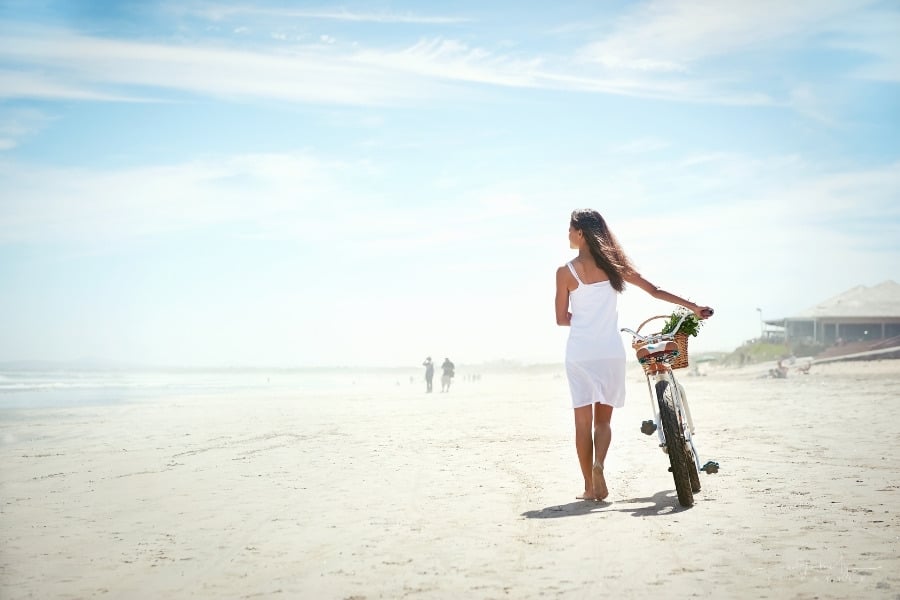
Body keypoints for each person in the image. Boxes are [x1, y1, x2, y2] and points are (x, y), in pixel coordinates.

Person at [555, 209, 713, 502]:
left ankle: (590, 487)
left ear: (581, 233)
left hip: (580, 353)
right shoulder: (614, 267)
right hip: (609, 353)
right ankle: (600, 464)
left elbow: (561, 319)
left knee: (581, 423)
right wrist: (693, 307)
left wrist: (583, 317)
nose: (567, 234)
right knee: (602, 422)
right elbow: (654, 291)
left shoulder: (565, 272)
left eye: (569, 229)